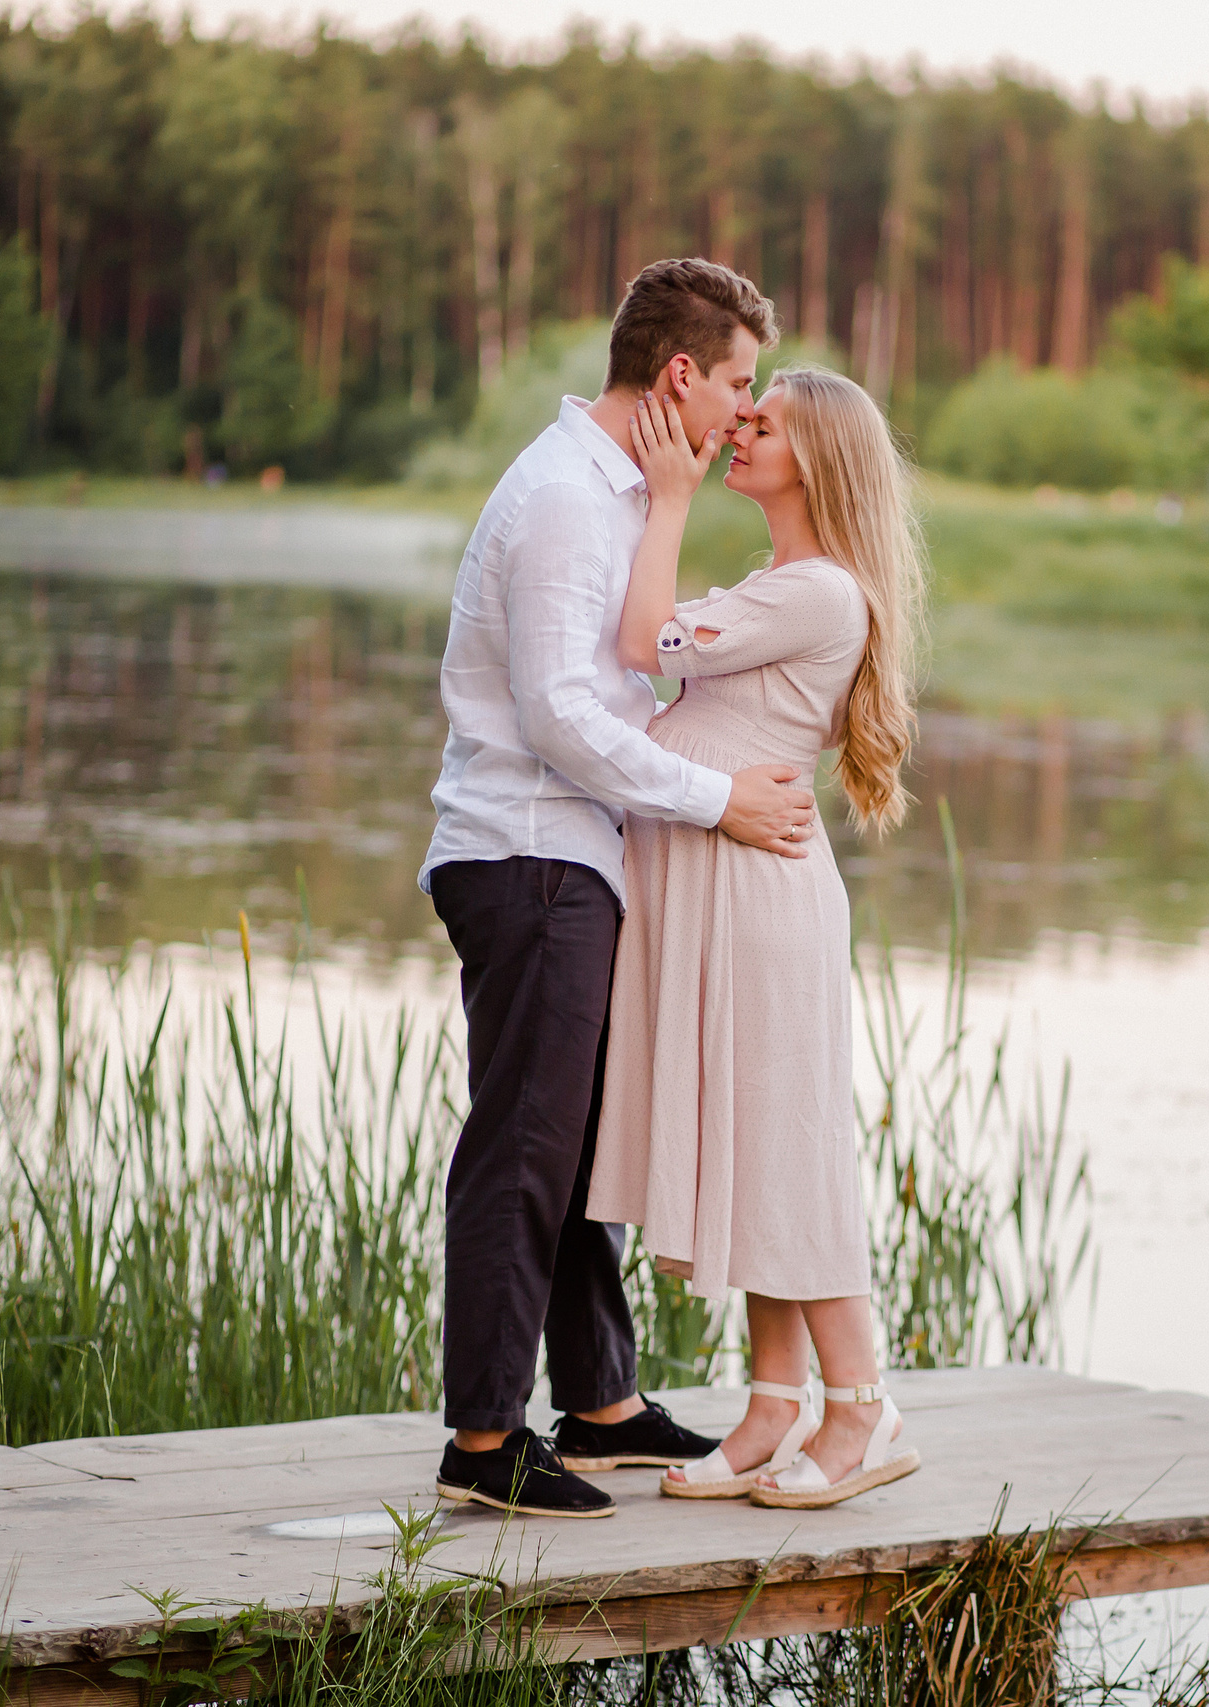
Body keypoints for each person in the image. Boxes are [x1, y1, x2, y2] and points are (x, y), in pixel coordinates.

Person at [422, 258, 817, 1521]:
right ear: (681, 373)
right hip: (528, 855)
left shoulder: (620, 494)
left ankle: (597, 1406)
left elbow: (624, 678)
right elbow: (559, 719)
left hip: (569, 855)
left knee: (575, 1139)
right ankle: (484, 1442)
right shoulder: (559, 501)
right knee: (525, 1149)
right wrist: (720, 801)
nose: (741, 413)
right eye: (738, 382)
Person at [587, 365, 927, 1510]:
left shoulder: (817, 592)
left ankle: (863, 1408)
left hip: (761, 900)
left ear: (816, 458)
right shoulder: (782, 582)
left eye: (762, 424)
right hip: (732, 889)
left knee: (788, 1153)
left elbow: (641, 643)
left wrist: (667, 496)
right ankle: (775, 1407)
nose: (738, 429)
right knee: (757, 1149)